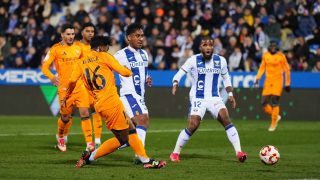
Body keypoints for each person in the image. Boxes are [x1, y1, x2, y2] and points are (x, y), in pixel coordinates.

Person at [61, 35, 166, 169]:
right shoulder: (104, 56)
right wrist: (133, 72)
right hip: (111, 102)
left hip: (99, 105)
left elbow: (71, 81)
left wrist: (66, 95)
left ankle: (89, 157)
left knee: (122, 139)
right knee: (131, 131)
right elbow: (124, 72)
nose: (107, 50)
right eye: (106, 47)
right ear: (100, 47)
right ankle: (146, 161)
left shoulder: (80, 62)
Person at [169, 36, 247, 163]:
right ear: (201, 47)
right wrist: (175, 82)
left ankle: (239, 152)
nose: (208, 47)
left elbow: (226, 77)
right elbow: (180, 72)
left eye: (210, 45)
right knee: (193, 125)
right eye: (205, 45)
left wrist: (231, 94)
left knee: (225, 118)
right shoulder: (193, 60)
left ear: (213, 47)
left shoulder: (221, 60)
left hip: (214, 97)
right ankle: (175, 153)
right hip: (198, 96)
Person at [41, 24, 94, 152]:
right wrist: (52, 77)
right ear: (62, 35)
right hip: (64, 88)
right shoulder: (55, 49)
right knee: (65, 117)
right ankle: (60, 136)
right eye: (68, 34)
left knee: (85, 112)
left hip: (79, 86)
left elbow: (86, 64)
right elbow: (44, 67)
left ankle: (89, 143)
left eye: (72, 34)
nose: (71, 37)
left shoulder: (79, 47)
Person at [113, 23, 152, 162]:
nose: (141, 39)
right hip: (128, 94)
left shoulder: (144, 54)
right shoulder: (121, 55)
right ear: (128, 38)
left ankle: (93, 155)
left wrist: (146, 78)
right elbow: (107, 67)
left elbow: (143, 71)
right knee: (143, 119)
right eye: (137, 36)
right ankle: (140, 155)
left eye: (142, 36)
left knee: (130, 130)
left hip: (140, 95)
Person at [75, 22, 103, 148]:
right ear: (82, 33)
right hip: (80, 84)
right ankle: (87, 141)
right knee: (82, 112)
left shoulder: (96, 47)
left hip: (94, 84)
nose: (90, 33)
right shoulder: (76, 47)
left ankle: (97, 141)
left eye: (92, 31)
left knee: (96, 110)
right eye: (87, 31)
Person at [254, 41, 291, 131]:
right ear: (269, 47)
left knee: (275, 101)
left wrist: (287, 83)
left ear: (277, 48)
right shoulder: (265, 55)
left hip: (278, 81)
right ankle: (275, 116)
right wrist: (257, 78)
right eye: (272, 47)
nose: (273, 48)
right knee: (263, 103)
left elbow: (287, 70)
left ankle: (273, 124)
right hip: (268, 82)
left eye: (274, 47)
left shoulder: (281, 56)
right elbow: (262, 67)